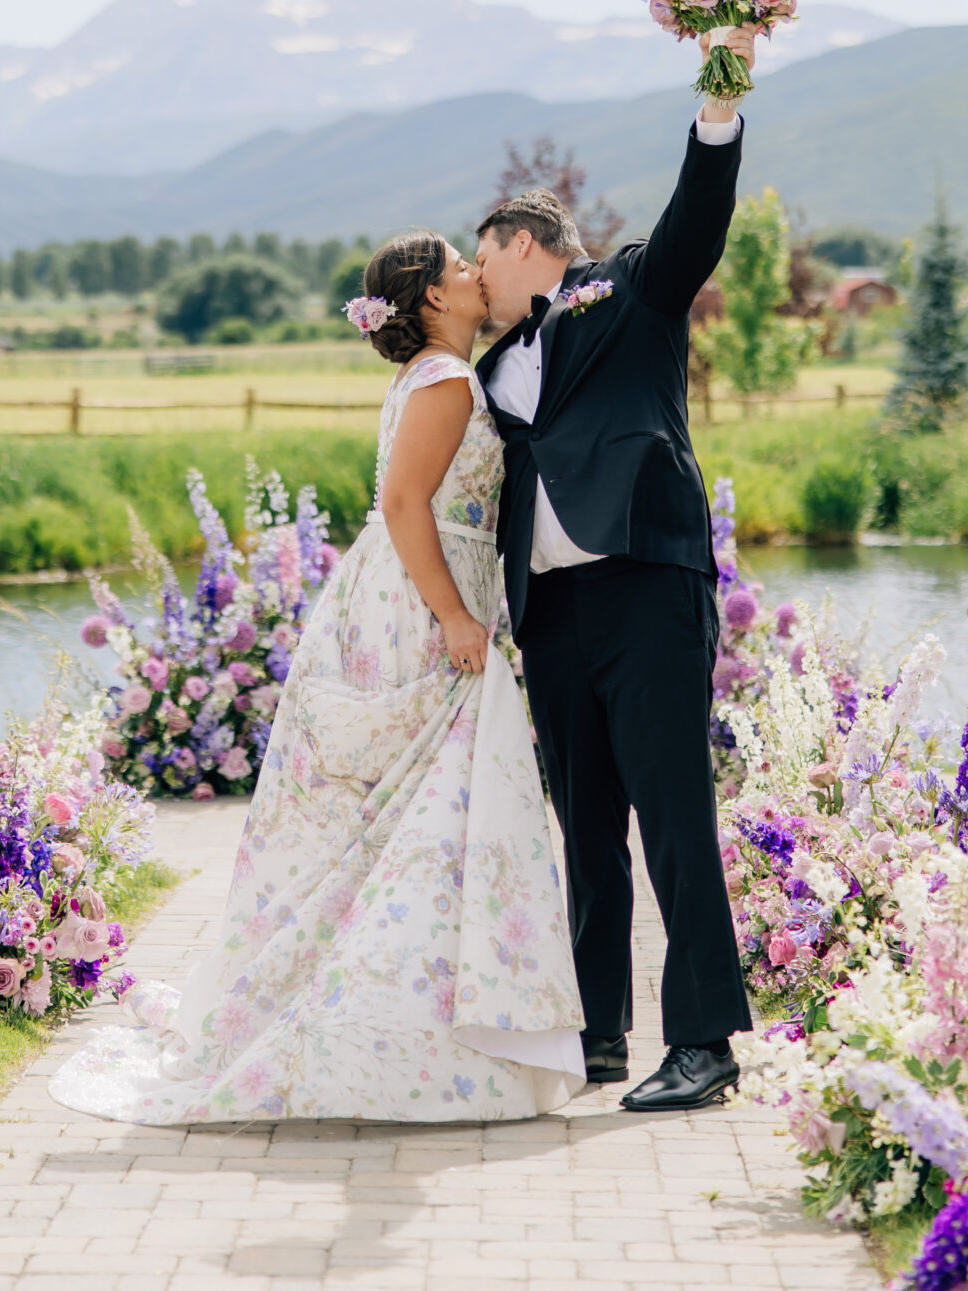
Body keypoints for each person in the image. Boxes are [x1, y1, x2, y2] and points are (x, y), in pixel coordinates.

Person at [49, 232, 585, 1123]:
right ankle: (410, 1027)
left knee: (407, 814)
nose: (474, 274)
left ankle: (413, 1011)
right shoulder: (447, 381)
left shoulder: (434, 373)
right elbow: (405, 502)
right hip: (420, 602)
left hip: (408, 588)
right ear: (434, 300)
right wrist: (455, 614)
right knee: (434, 804)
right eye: (460, 266)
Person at [469, 23, 757, 1112]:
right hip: (551, 613)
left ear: (523, 241)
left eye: (480, 253)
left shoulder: (630, 293)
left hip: (646, 587)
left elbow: (697, 220)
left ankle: (704, 1044)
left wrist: (718, 107)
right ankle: (596, 1032)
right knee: (583, 831)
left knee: (675, 817)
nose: (475, 272)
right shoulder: (491, 366)